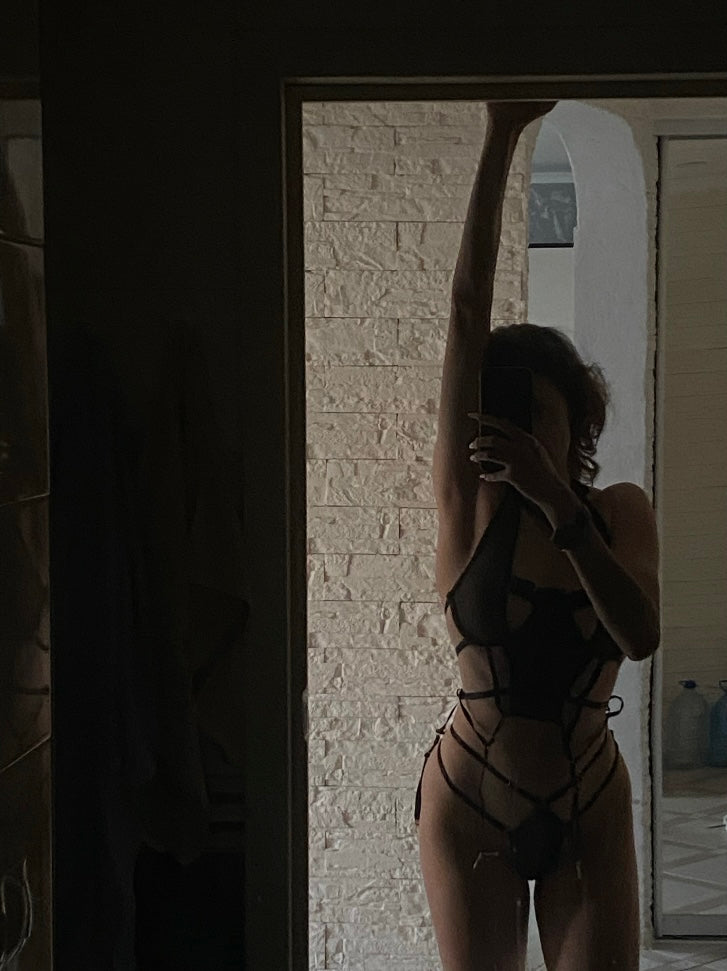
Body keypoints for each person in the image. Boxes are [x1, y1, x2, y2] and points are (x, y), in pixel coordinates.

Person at [414, 100, 661, 971]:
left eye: (535, 412)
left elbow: (638, 633)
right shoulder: (465, 504)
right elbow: (462, 312)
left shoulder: (616, 511)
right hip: (471, 799)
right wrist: (499, 135)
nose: (514, 427)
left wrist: (558, 501)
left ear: (576, 423)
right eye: (499, 408)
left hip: (588, 800)